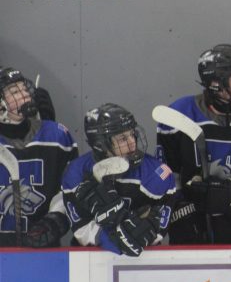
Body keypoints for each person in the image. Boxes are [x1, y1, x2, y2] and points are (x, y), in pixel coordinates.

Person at [156, 44, 231, 244]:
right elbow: (167, 175)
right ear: (216, 85)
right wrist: (182, 208)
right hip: (191, 231)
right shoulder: (178, 116)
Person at [62, 103, 175, 256]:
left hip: (146, 262)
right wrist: (112, 239)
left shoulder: (157, 173)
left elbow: (158, 227)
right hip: (91, 263)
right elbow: (82, 228)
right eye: (122, 138)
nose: (132, 142)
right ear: (100, 144)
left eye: (131, 134)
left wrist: (142, 234)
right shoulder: (76, 172)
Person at [0, 67, 78, 247]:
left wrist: (56, 220)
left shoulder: (57, 136)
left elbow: (72, 188)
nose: (24, 95)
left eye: (23, 88)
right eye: (14, 92)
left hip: (43, 251)